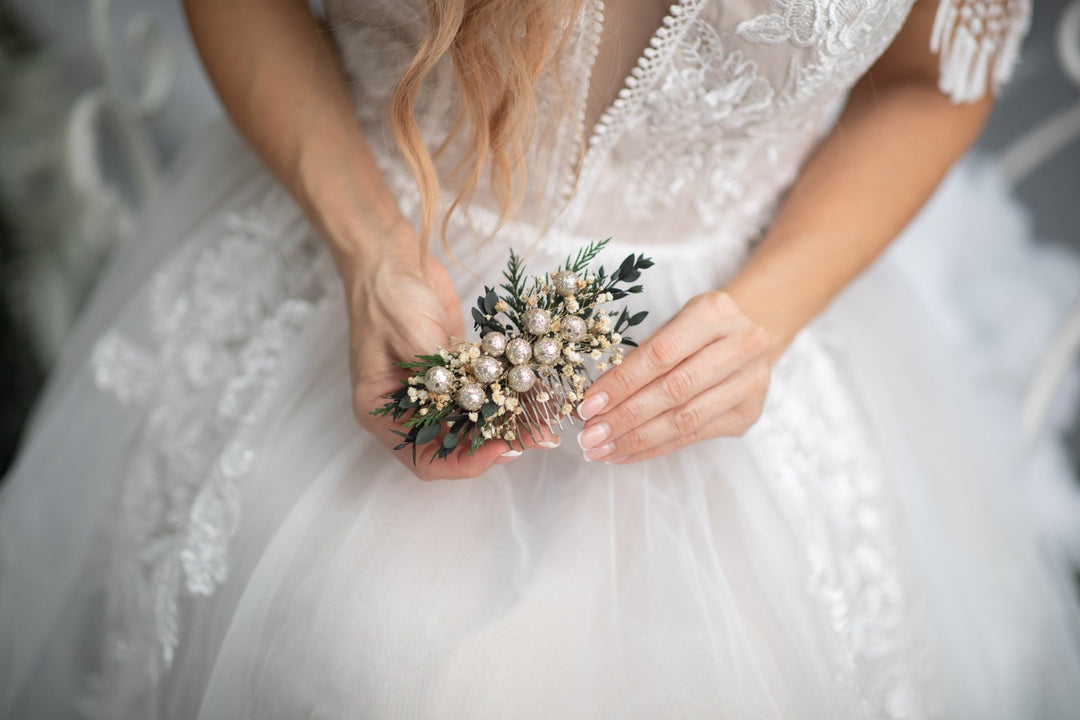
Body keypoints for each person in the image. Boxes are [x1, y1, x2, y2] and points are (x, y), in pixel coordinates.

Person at [2, 0, 1079, 716]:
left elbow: (933, 78)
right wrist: (367, 247)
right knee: (348, 654)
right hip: (358, 266)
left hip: (742, 335)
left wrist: (767, 314)